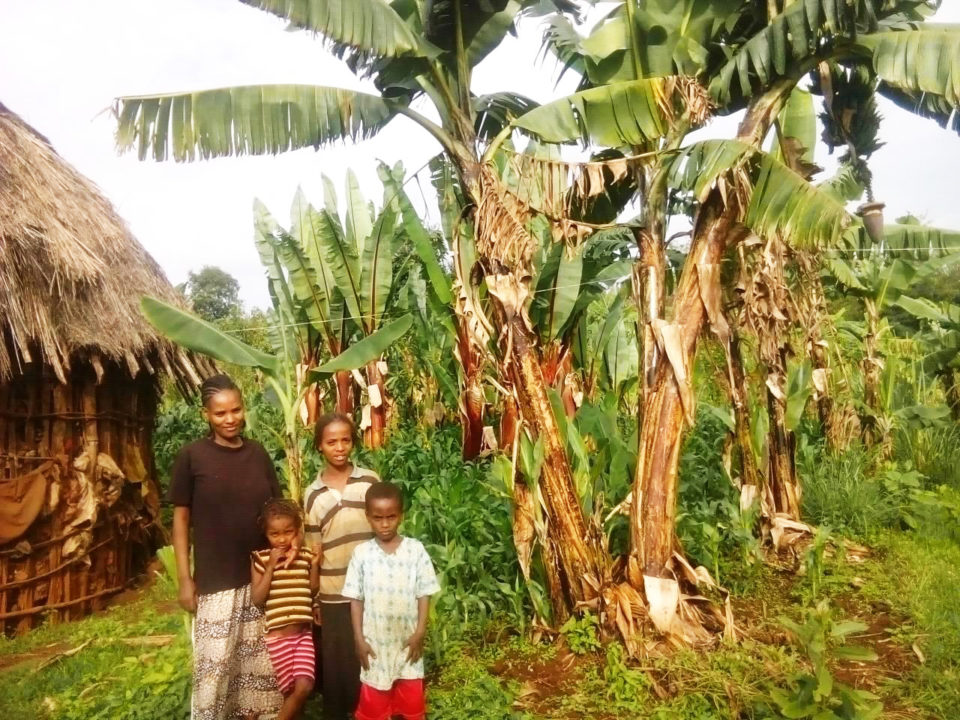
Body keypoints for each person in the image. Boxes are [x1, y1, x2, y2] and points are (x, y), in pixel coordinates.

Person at [168, 374, 284, 720]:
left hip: (261, 577)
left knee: (258, 668)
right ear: (206, 414)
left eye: (236, 410)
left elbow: (277, 511)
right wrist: (185, 580)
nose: (230, 419)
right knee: (215, 667)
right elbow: (180, 521)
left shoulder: (258, 454)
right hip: (216, 580)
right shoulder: (192, 457)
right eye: (220, 413)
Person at [342, 482, 440, 720]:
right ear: (368, 517)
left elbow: (423, 593)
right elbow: (356, 599)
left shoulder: (415, 550)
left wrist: (420, 632)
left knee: (411, 702)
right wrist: (358, 639)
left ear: (401, 516)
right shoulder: (362, 554)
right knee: (374, 705)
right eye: (378, 518)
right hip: (375, 645)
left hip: (407, 643)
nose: (384, 524)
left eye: (391, 517)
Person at [303, 412, 378, 720]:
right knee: (339, 661)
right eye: (331, 442)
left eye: (345, 440)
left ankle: (375, 709)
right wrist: (315, 598)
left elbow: (383, 530)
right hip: (333, 590)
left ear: (353, 442)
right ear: (320, 446)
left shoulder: (370, 481)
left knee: (373, 651)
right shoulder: (313, 494)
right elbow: (314, 550)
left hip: (371, 586)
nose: (339, 447)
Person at [251, 498, 322, 720]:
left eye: (288, 532)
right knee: (289, 693)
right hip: (278, 640)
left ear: (297, 530)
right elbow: (257, 598)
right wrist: (272, 565)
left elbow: (311, 589)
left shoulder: (304, 556)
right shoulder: (261, 559)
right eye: (275, 534)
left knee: (304, 687)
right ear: (266, 534)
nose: (282, 539)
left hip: (303, 636)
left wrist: (315, 565)